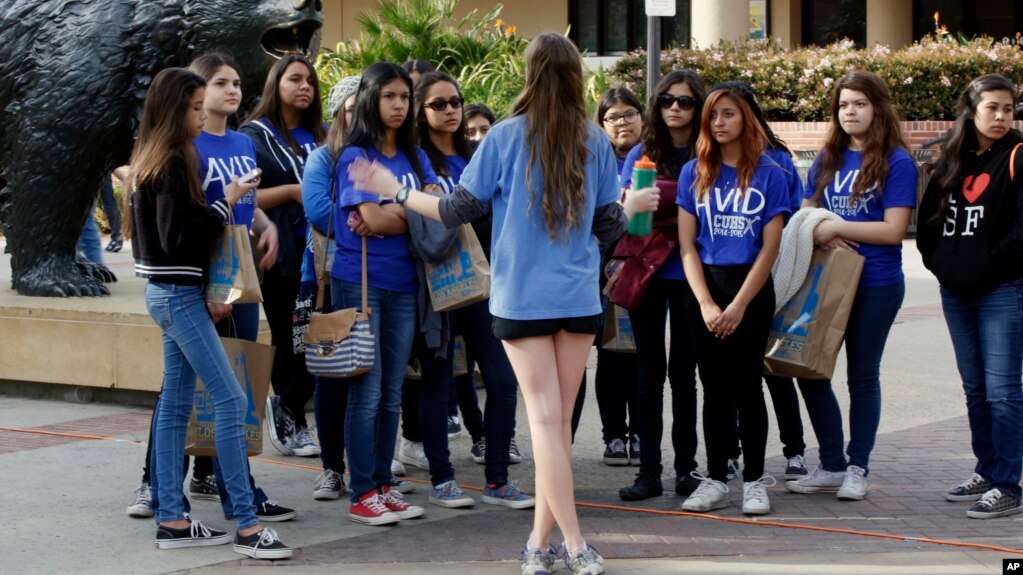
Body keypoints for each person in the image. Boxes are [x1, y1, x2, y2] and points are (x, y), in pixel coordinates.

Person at [348, 33, 659, 575]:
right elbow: (611, 226)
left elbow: (453, 210)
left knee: (545, 424)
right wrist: (633, 205)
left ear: (531, 73)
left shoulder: (504, 137)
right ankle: (541, 545)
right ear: (576, 78)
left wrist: (394, 190)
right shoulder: (593, 138)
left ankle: (574, 543)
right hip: (577, 294)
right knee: (555, 424)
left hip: (521, 298)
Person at [127, 67, 291, 559]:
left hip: (169, 293)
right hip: (178, 295)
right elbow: (180, 235)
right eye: (196, 107)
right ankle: (245, 525)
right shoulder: (173, 160)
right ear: (175, 109)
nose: (203, 115)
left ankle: (172, 519)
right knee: (229, 401)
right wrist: (227, 202)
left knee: (177, 405)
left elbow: (169, 236)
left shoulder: (156, 158)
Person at [785, 70, 916, 501]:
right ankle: (831, 463)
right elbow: (804, 216)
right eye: (843, 105)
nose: (850, 112)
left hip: (876, 282)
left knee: (862, 377)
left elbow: (894, 230)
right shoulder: (827, 159)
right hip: (824, 279)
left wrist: (836, 224)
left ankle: (858, 466)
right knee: (808, 368)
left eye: (859, 103)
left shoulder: (896, 161)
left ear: (877, 107)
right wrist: (820, 225)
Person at [409, 70, 534, 510]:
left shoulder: (481, 153)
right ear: (420, 112)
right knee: (439, 382)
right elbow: (423, 222)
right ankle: (442, 478)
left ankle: (498, 479)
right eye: (438, 104)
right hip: (436, 285)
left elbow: (496, 212)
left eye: (455, 102)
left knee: (502, 382)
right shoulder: (414, 160)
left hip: (486, 283)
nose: (450, 111)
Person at [676, 82, 790, 516]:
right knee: (713, 389)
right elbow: (687, 245)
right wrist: (706, 303)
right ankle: (717, 479)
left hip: (751, 290)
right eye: (713, 115)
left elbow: (770, 248)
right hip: (704, 287)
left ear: (746, 118)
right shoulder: (695, 171)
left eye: (728, 114)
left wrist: (740, 305)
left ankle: (755, 481)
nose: (719, 122)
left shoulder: (771, 173)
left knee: (748, 387)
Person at [331, 62, 434, 526]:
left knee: (392, 392)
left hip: (407, 283)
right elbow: (370, 221)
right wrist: (408, 211)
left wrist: (393, 211)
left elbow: (438, 212)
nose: (398, 105)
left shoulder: (416, 158)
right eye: (389, 96)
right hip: (361, 282)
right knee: (367, 393)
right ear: (372, 99)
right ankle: (362, 493)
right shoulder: (356, 155)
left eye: (404, 97)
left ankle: (382, 486)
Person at [917, 73, 1023, 519]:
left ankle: (1008, 484)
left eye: (1008, 108)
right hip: (956, 292)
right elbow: (927, 227)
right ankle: (986, 468)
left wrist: (983, 267)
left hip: (1002, 290)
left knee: (1003, 391)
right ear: (972, 110)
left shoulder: (1018, 155)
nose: (1000, 116)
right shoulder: (950, 160)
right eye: (991, 108)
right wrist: (946, 267)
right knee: (976, 389)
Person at [612, 71, 706, 500]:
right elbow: (632, 216)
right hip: (647, 273)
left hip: (692, 274)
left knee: (685, 376)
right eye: (667, 99)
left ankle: (687, 469)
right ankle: (649, 471)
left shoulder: (711, 150)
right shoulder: (641, 151)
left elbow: (709, 216)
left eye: (685, 102)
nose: (674, 107)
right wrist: (678, 203)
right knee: (648, 375)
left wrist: (662, 199)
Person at [714, 81, 809, 482]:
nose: (721, 122)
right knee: (734, 375)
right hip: (725, 279)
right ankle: (732, 452)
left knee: (769, 369)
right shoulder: (709, 162)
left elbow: (787, 221)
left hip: (773, 274)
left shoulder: (777, 162)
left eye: (732, 112)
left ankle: (794, 449)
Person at [240, 54, 326, 458]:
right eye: (295, 79)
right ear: (277, 84)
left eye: (310, 80)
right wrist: (293, 192)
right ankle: (292, 416)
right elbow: (244, 195)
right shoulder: (253, 136)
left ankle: (287, 406)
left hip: (322, 253)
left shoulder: (321, 135)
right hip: (279, 251)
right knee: (290, 335)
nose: (304, 86)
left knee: (320, 334)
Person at [302, 75, 363, 501]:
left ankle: (370, 466)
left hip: (379, 277)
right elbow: (320, 211)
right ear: (339, 111)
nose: (360, 114)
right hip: (328, 281)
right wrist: (371, 218)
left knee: (373, 375)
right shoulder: (324, 158)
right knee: (333, 375)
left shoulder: (388, 156)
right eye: (353, 106)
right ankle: (331, 467)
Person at [587, 87, 645, 468]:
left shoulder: (653, 159)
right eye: (612, 117)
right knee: (609, 355)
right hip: (601, 270)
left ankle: (641, 431)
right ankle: (613, 437)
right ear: (601, 124)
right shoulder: (594, 160)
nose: (622, 122)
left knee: (643, 355)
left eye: (628, 114)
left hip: (646, 267)